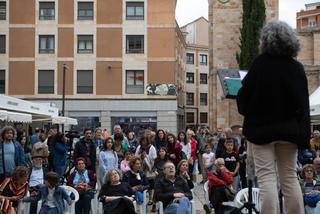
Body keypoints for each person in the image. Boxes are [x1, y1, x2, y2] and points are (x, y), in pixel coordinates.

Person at [236, 21, 310, 214]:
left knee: (267, 178)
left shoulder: (260, 64)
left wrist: (248, 110)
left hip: (262, 131)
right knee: (289, 177)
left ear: (266, 40)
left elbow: (244, 96)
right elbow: (304, 104)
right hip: (289, 132)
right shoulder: (297, 68)